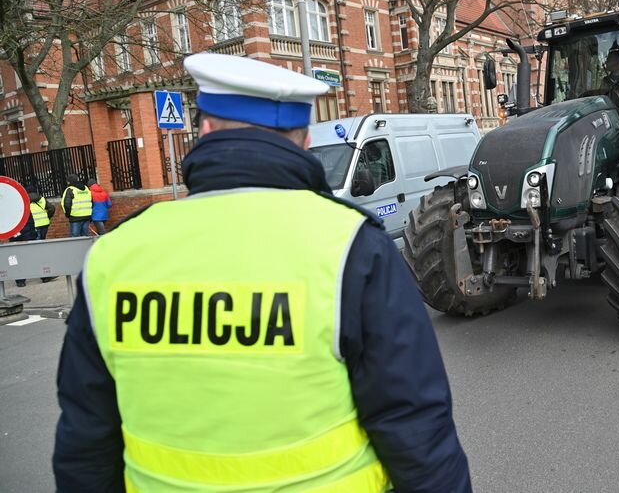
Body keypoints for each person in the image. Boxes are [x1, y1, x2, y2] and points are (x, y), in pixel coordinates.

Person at [54, 53, 471, 492]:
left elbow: (85, 442)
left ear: (205, 132)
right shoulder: (351, 247)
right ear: (304, 141)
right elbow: (415, 427)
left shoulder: (115, 254)